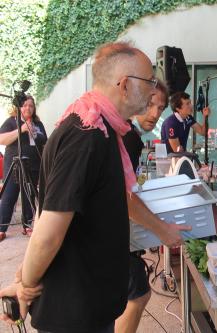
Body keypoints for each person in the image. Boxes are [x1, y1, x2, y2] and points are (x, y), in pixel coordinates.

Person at [0, 42, 188, 333]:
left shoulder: (103, 128)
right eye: (149, 82)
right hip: (75, 311)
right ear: (124, 85)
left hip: (91, 301)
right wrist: (24, 286)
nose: (154, 90)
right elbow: (48, 231)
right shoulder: (85, 135)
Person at [115, 79, 167, 333]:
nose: (155, 114)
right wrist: (162, 229)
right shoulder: (129, 137)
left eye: (161, 108)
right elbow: (123, 195)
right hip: (112, 236)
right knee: (138, 296)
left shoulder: (127, 133)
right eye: (150, 105)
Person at [0, 96, 47, 241]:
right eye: (25, 105)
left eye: (31, 106)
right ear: (19, 107)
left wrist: (36, 134)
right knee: (8, 197)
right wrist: (22, 129)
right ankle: (1, 227)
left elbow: (45, 141)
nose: (28, 108)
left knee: (29, 196)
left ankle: (28, 225)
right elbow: (2, 139)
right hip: (13, 166)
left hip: (33, 165)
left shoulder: (38, 123)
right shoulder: (11, 121)